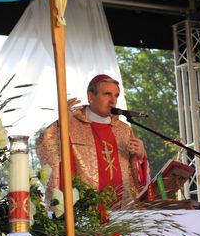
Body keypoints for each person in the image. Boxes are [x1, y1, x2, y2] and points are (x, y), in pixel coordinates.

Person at [36, 74, 149, 208]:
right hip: (86, 210)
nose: (113, 101)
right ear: (91, 96)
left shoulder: (124, 129)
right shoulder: (70, 123)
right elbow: (44, 144)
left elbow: (135, 174)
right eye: (107, 94)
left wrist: (141, 156)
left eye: (116, 95)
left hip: (123, 208)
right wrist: (61, 125)